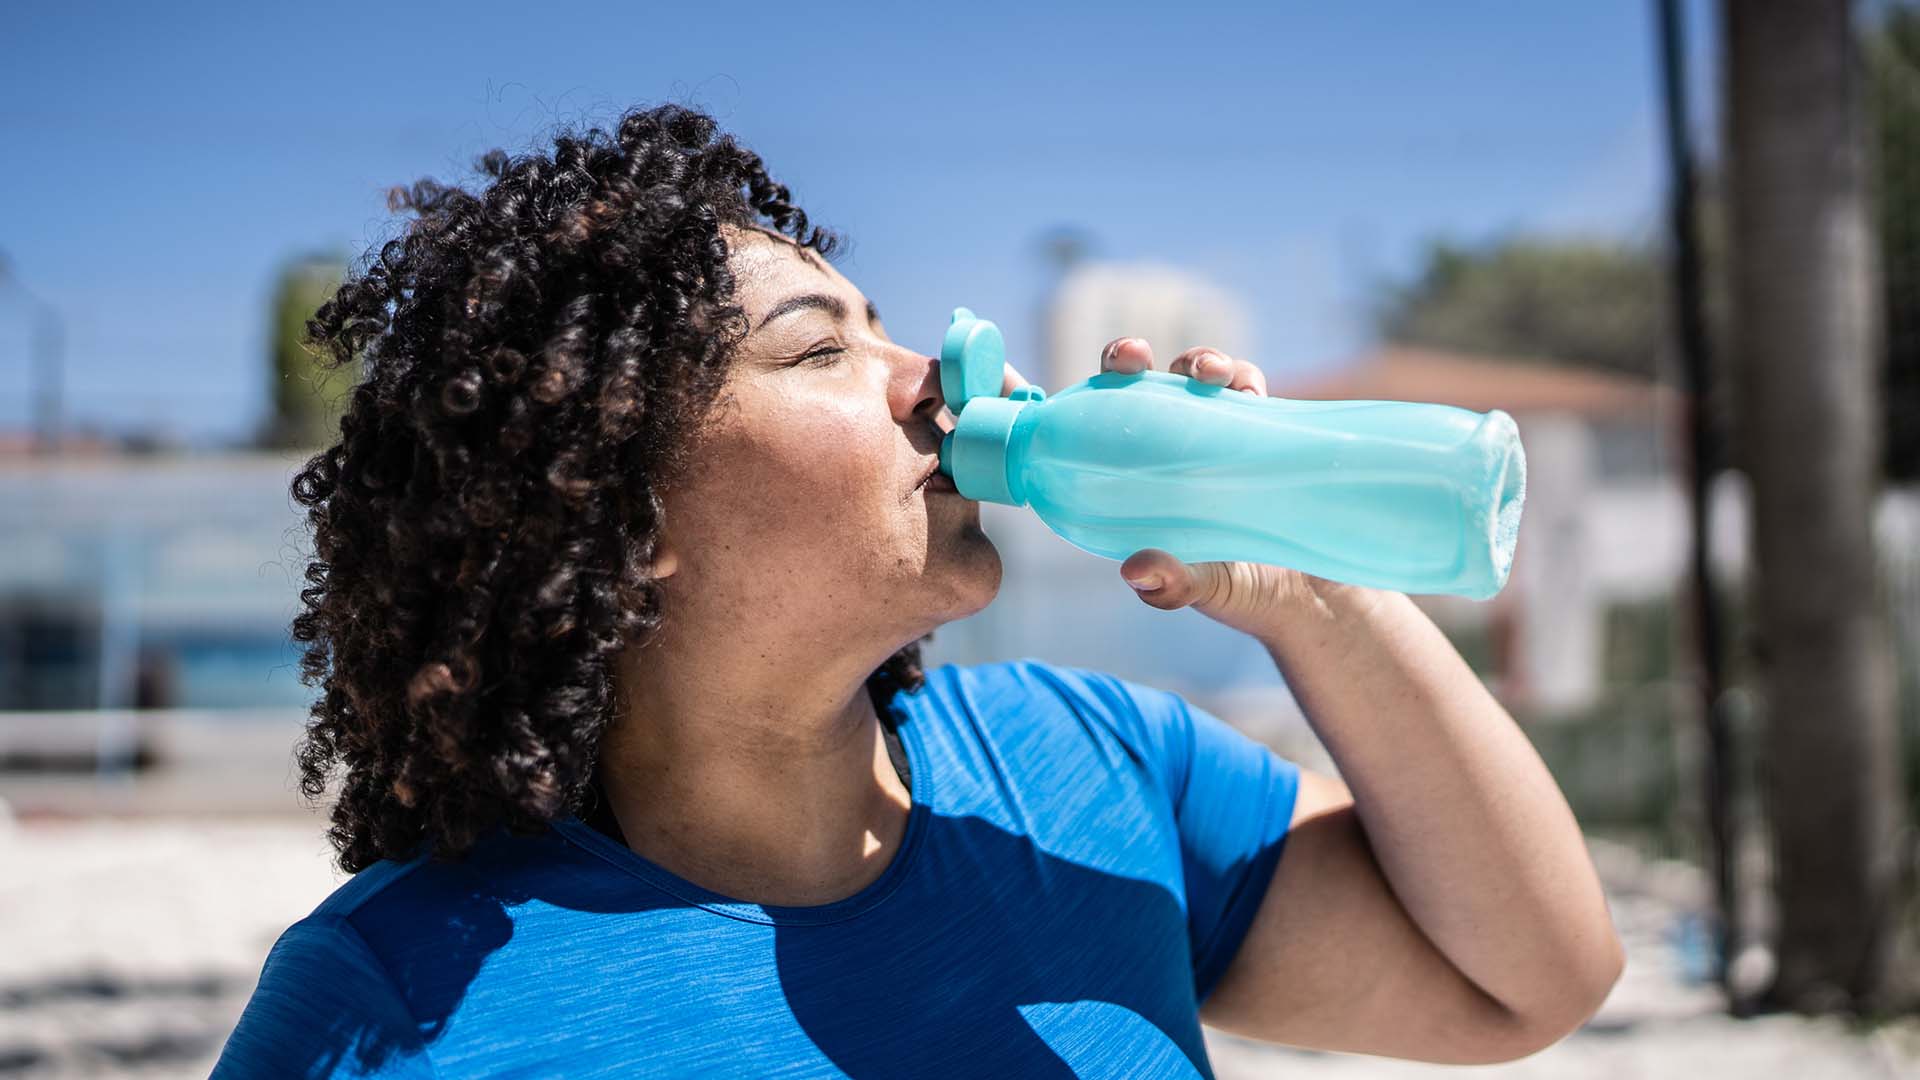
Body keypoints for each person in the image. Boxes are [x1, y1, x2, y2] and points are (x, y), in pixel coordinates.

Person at [211, 103, 1622, 1078]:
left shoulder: (1083, 764)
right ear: (624, 516)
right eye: (821, 349)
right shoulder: (405, 996)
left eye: (890, 328)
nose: (938, 381)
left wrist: (1311, 593)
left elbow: (1530, 983)